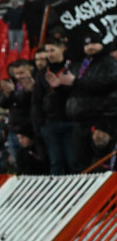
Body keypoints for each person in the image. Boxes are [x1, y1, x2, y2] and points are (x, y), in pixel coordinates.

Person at [47, 30, 117, 171]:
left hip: (101, 118)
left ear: (101, 44)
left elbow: (107, 83)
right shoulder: (79, 64)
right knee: (81, 161)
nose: (90, 47)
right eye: (87, 45)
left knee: (101, 159)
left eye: (93, 43)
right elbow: (72, 88)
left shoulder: (109, 62)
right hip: (79, 120)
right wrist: (59, 85)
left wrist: (76, 82)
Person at [32, 32, 76, 174]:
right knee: (56, 162)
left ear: (62, 48)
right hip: (50, 123)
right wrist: (38, 125)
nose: (49, 54)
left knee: (73, 161)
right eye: (47, 51)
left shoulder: (73, 68)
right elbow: (36, 101)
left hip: (72, 120)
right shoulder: (42, 73)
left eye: (53, 50)